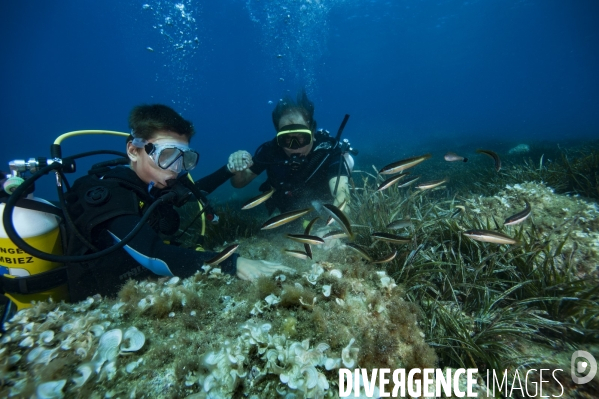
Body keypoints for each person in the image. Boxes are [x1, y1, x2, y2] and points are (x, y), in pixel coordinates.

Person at [65, 104, 292, 302]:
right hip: (97, 300)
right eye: (166, 155)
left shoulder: (153, 185)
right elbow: (154, 255)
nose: (175, 168)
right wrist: (232, 264)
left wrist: (227, 171)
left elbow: (194, 192)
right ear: (134, 151)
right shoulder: (110, 196)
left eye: (185, 158)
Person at [227, 90, 353, 215]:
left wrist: (334, 226)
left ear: (313, 132)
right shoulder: (271, 151)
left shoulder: (327, 151)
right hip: (288, 216)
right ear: (278, 137)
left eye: (301, 138)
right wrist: (237, 168)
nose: (294, 147)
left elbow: (342, 193)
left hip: (326, 214)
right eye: (286, 139)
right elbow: (239, 183)